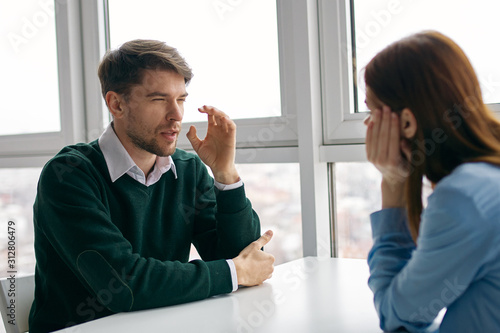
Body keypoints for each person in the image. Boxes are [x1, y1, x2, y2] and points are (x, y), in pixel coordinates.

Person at [28, 39, 275, 333]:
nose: (177, 115)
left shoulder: (188, 170)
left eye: (181, 99)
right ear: (116, 104)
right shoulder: (69, 175)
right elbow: (122, 285)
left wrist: (225, 174)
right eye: (159, 99)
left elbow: (243, 256)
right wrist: (233, 272)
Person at [364, 31, 500, 332]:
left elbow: (398, 317)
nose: (367, 125)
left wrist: (393, 194)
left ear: (409, 122)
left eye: (371, 111)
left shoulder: (464, 198)